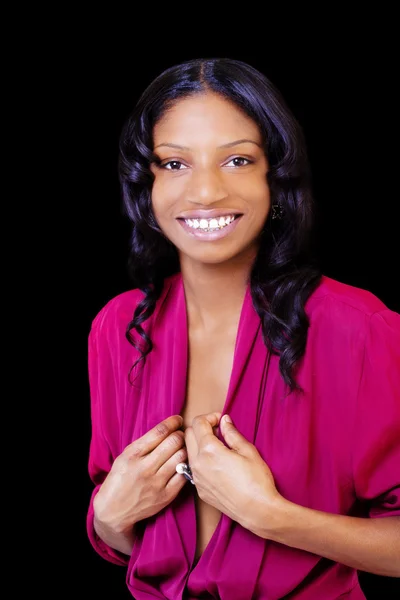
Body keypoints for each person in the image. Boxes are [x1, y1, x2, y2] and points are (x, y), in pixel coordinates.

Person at [86, 57, 400, 599]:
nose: (205, 192)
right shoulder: (119, 329)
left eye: (236, 160)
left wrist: (270, 515)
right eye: (175, 163)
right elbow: (128, 538)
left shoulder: (359, 331)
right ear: (147, 182)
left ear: (274, 176)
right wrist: (109, 518)